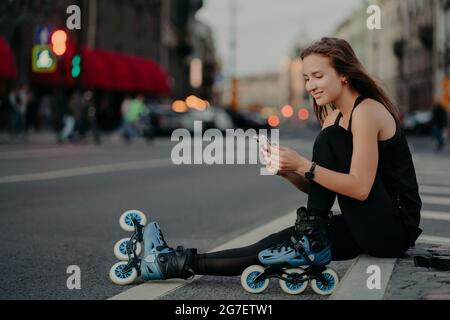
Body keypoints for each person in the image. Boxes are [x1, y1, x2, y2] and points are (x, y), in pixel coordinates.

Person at [118, 38, 423, 283]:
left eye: (318, 76)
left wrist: (304, 164)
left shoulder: (366, 112)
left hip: (393, 228)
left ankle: (309, 236)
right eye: (305, 78)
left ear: (344, 74)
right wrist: (289, 172)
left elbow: (359, 189)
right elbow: (324, 188)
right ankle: (171, 261)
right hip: (370, 222)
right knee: (269, 247)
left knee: (327, 142)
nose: (310, 85)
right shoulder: (335, 119)